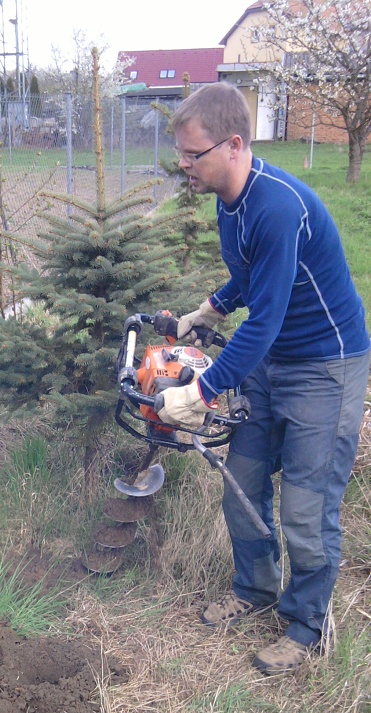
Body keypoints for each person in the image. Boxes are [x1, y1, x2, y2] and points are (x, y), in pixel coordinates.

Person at [157, 83, 370, 676]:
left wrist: (198, 392)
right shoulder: (230, 198)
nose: (183, 165)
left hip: (326, 366)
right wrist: (212, 308)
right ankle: (254, 589)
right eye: (180, 153)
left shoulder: (277, 206)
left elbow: (267, 323)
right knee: (243, 482)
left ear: (234, 144)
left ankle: (306, 626)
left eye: (193, 154)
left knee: (306, 504)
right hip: (275, 363)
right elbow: (250, 276)